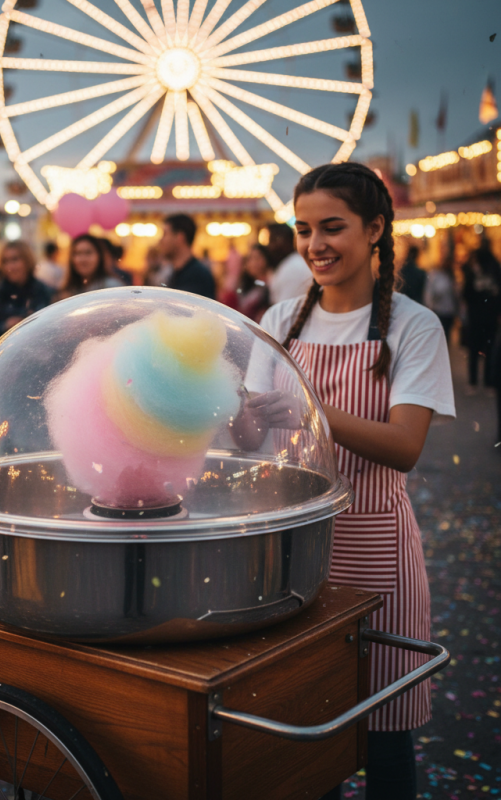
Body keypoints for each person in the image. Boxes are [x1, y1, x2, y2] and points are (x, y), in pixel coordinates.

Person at [244, 163, 454, 799]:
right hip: (295, 548)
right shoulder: (281, 321)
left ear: (376, 229)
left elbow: (404, 446)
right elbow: (248, 439)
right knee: (306, 728)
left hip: (378, 550)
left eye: (332, 227)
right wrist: (234, 417)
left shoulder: (414, 326)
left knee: (386, 733)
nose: (315, 245)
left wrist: (311, 412)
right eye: (304, 229)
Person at [0, 240, 51, 346]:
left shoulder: (44, 291)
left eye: (15, 260)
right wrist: (4, 326)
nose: (10, 267)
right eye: (5, 261)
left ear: (27, 260)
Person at [462, 242, 501, 393]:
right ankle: (488, 382)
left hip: (475, 317)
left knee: (473, 350)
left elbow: (466, 294)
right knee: (489, 349)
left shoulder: (473, 271)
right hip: (490, 317)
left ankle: (473, 381)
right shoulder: (495, 270)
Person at [161, 213, 216, 299]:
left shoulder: (198, 277)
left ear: (179, 237)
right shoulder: (177, 272)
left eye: (165, 234)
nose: (161, 240)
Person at [58, 234, 123, 300]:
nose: (82, 259)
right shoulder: (69, 289)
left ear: (99, 256)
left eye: (88, 253)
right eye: (78, 253)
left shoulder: (111, 287)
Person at [221, 244, 271, 322]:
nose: (253, 263)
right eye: (250, 259)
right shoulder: (244, 283)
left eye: (257, 258)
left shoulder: (268, 284)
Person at [266, 222, 313, 305]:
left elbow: (284, 309)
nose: (270, 246)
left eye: (273, 240)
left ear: (285, 241)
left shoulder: (293, 268)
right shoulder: (288, 264)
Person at [423, 256, 459, 341]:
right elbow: (431, 292)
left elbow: (456, 294)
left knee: (446, 334)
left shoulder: (452, 277)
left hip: (449, 311)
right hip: (439, 310)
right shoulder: (436, 276)